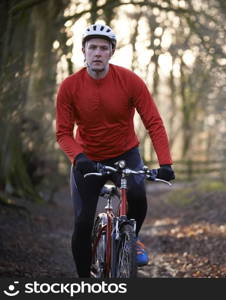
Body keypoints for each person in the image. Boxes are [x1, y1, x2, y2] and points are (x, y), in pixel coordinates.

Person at [55, 23, 175, 277]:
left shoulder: (130, 81)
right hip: (87, 160)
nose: (97, 53)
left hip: (125, 154)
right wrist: (79, 157)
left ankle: (133, 239)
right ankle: (85, 280)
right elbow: (63, 133)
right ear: (83, 51)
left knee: (138, 194)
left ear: (111, 52)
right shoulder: (69, 86)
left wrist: (166, 163)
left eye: (103, 48)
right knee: (83, 222)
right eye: (92, 48)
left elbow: (153, 122)